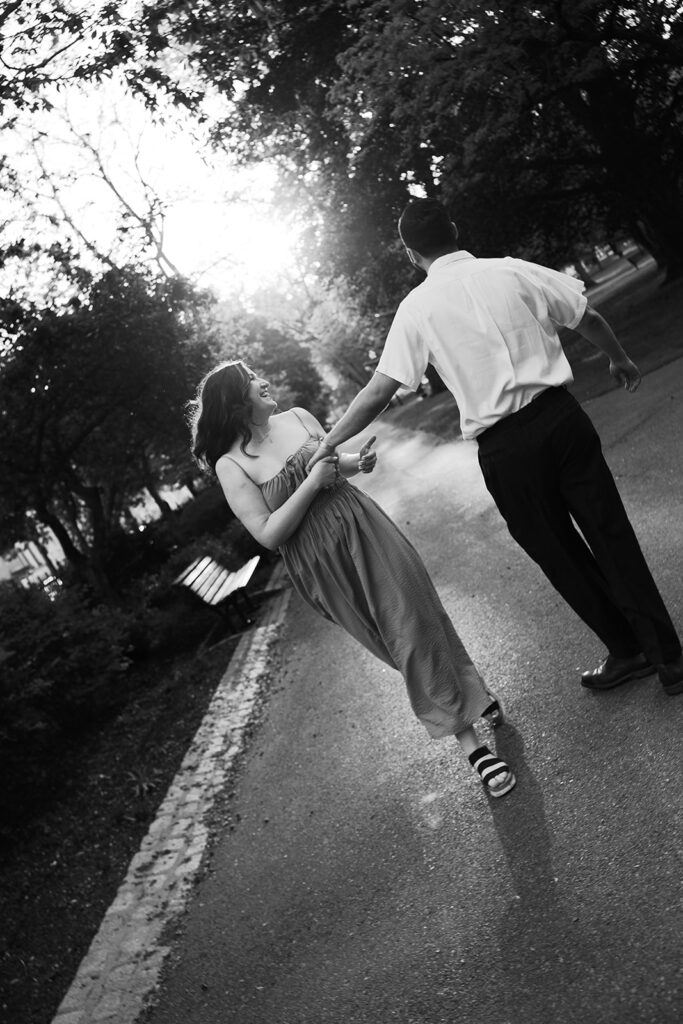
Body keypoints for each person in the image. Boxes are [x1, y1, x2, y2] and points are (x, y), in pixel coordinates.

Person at [308, 197, 683, 696]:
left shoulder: (416, 309)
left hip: (506, 451)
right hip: (561, 419)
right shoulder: (510, 270)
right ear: (456, 230)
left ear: (408, 254)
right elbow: (585, 314)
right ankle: (668, 659)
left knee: (559, 553)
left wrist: (329, 441)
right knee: (610, 533)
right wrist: (619, 359)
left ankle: (627, 649)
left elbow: (381, 389)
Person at [189, 360, 517, 798]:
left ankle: (473, 747)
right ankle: (474, 694)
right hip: (320, 563)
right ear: (234, 401)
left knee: (415, 623)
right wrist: (312, 482)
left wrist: (353, 463)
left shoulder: (300, 418)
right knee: (394, 642)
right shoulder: (232, 465)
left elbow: (330, 465)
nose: (264, 381)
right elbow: (268, 534)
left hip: (363, 527)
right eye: (251, 381)